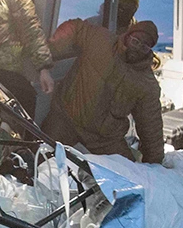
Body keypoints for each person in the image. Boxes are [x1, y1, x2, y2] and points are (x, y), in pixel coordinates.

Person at [40, 19, 165, 164]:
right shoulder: (101, 40)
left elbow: (151, 126)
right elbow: (76, 26)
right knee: (38, 155)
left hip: (103, 138)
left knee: (129, 175)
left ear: (150, 50)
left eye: (144, 47)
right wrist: (53, 47)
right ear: (127, 36)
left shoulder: (146, 83)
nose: (137, 48)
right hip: (66, 118)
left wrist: (155, 163)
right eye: (135, 41)